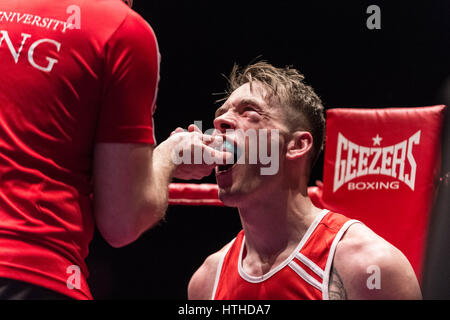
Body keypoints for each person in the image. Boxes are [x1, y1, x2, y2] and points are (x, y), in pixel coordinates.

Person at [0, 0, 226, 300]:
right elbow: (122, 221)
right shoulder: (122, 29)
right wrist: (169, 155)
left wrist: (141, 167)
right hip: (32, 272)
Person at [188, 62, 422, 300]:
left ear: (297, 145)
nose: (220, 123)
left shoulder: (368, 268)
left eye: (249, 111)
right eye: (220, 114)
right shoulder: (206, 281)